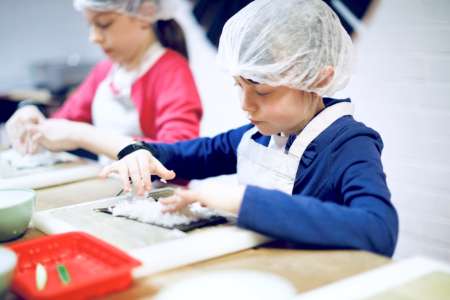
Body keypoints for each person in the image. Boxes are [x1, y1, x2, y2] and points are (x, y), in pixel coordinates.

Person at [100, 0, 399, 256]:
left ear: (318, 79)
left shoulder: (350, 145)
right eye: (239, 86)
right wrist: (141, 151)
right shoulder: (257, 136)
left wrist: (241, 200)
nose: (245, 104)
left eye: (262, 90)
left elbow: (379, 229)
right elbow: (188, 154)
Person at [6, 0, 202, 160]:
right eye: (90, 25)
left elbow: (180, 153)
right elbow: (63, 123)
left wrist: (83, 135)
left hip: (160, 196)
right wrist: (32, 115)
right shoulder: (106, 71)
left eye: (103, 24)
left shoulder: (171, 70)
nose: (93, 37)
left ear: (145, 14)